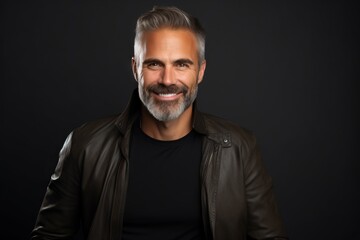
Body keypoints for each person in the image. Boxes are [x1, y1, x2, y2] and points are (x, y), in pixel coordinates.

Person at [31, 6, 288, 240]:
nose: (167, 79)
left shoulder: (238, 147)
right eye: (154, 64)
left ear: (200, 71)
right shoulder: (85, 145)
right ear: (135, 69)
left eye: (181, 64)